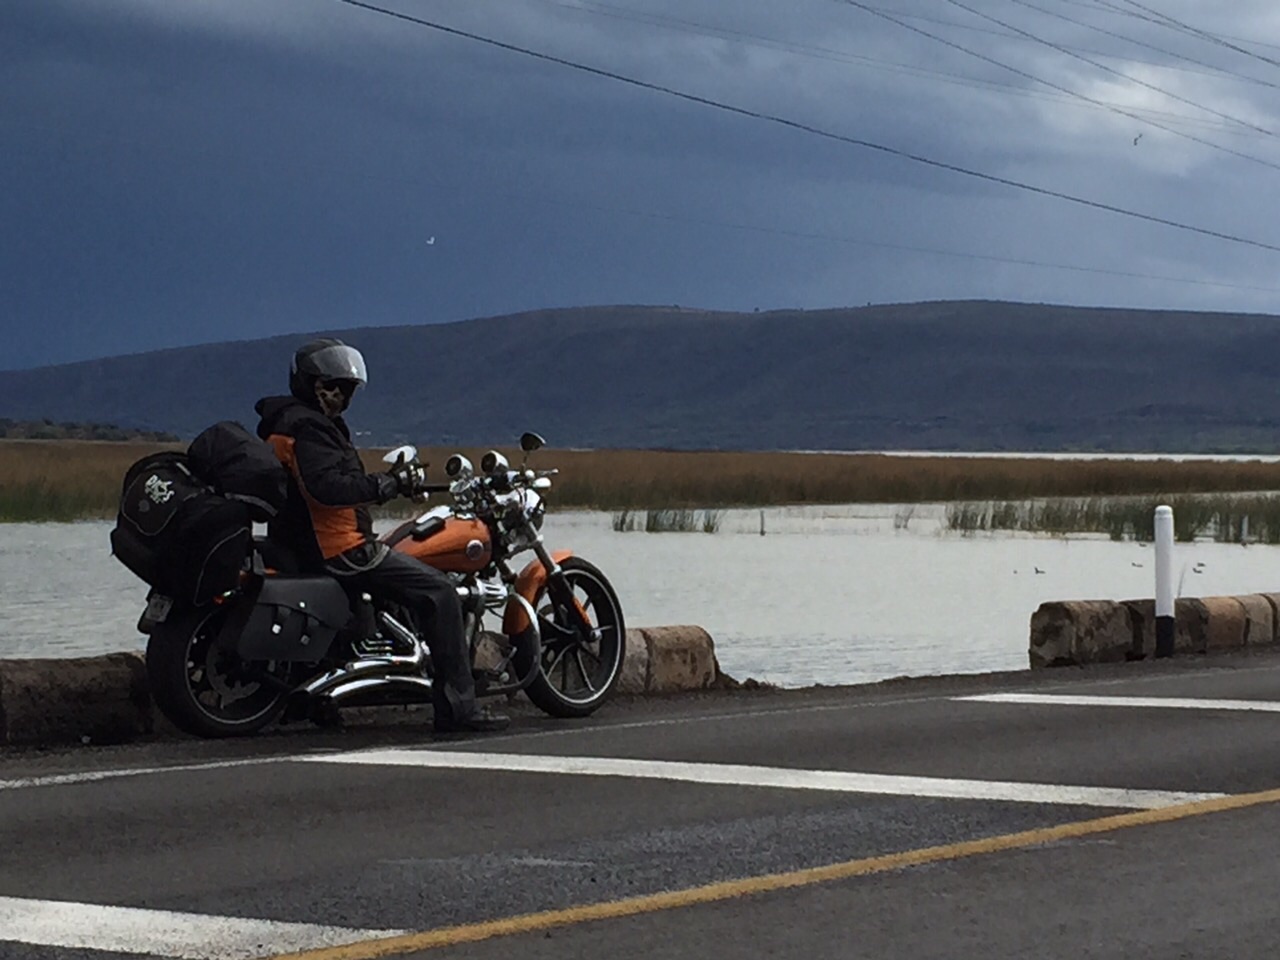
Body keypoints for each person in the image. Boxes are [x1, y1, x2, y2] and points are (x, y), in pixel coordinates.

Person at [255, 337, 509, 734]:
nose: (340, 397)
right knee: (440, 593)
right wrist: (385, 485)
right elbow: (328, 488)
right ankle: (459, 708)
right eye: (331, 387)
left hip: (300, 543)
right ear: (308, 384)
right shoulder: (308, 428)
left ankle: (322, 697)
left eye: (347, 390)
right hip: (341, 547)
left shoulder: (284, 423)